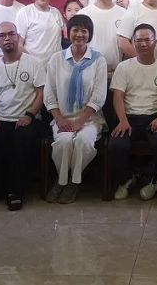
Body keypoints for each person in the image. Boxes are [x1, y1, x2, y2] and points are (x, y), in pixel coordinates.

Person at [44, 14, 108, 204]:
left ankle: (73, 182)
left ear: (90, 34)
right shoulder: (56, 59)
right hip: (62, 117)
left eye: (84, 30)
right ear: (68, 32)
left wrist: (80, 121)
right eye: (75, 30)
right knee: (64, 142)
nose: (79, 34)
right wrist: (60, 119)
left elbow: (99, 96)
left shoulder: (98, 60)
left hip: (90, 120)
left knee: (83, 141)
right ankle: (61, 181)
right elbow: (49, 93)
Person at [0, 22, 44, 211]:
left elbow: (41, 93)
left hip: (28, 119)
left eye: (11, 34)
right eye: (2, 35)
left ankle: (15, 192)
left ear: (17, 37)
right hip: (1, 119)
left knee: (22, 139)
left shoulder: (33, 63)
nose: (7, 38)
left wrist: (29, 115)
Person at [108, 24, 157, 201]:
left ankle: (156, 180)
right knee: (116, 145)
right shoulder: (124, 67)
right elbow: (117, 97)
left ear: (155, 42)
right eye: (139, 40)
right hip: (128, 117)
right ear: (133, 43)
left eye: (147, 40)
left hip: (155, 118)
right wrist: (122, 120)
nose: (143, 44)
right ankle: (126, 179)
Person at [78, 0, 126, 76]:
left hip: (116, 74)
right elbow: (77, 47)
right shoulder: (83, 15)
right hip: (89, 73)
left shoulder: (124, 14)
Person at [15, 0, 64, 64]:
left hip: (55, 66)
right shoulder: (25, 12)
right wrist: (34, 64)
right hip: (32, 66)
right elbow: (18, 45)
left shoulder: (56, 12)